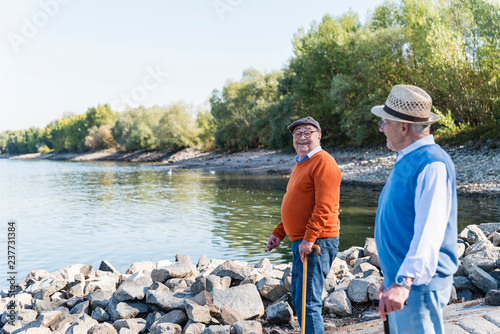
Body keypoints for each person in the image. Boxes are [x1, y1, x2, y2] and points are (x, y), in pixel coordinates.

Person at [372, 85, 458, 333]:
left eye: (384, 122)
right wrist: (390, 279)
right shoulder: (408, 157)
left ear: (403, 127)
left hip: (417, 288)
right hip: (404, 284)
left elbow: (429, 232)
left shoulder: (432, 164)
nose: (381, 128)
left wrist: (403, 282)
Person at [265, 116, 341, 334]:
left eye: (308, 132)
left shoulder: (323, 162)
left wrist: (309, 239)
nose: (302, 137)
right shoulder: (301, 163)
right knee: (300, 299)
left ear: (319, 136)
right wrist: (279, 232)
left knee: (308, 303)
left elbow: (324, 206)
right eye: (297, 134)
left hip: (317, 242)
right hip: (304, 241)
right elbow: (298, 204)